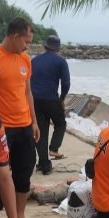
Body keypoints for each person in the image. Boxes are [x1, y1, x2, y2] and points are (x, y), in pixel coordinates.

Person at [0, 17, 40, 218]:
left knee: (24, 171)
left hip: (24, 125)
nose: (27, 46)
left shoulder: (25, 59)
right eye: (26, 40)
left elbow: (27, 92)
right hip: (0, 129)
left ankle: (20, 216)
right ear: (15, 36)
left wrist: (34, 121)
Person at [31, 34, 70, 175]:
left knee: (41, 131)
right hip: (52, 99)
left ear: (45, 46)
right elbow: (66, 83)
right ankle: (54, 148)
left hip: (35, 100)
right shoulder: (61, 61)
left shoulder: (34, 61)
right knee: (60, 124)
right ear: (58, 48)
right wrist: (62, 98)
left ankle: (43, 164)